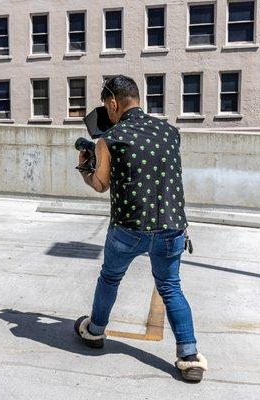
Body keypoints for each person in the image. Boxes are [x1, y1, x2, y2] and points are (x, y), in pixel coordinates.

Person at [73, 75, 207, 382]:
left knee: (110, 278)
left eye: (107, 107)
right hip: (172, 228)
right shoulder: (170, 132)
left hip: (128, 229)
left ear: (112, 103)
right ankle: (189, 357)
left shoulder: (112, 137)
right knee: (170, 286)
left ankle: (94, 332)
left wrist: (85, 166)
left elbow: (100, 184)